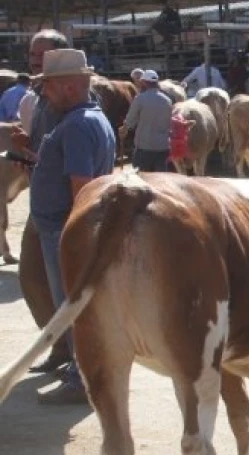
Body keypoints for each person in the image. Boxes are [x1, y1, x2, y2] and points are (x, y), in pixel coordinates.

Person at [28, 48, 116, 404]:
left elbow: (82, 187)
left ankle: (84, 380)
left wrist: (72, 237)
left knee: (74, 306)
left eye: (47, 86)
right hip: (65, 230)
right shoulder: (89, 119)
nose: (43, 93)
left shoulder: (78, 126)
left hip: (63, 232)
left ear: (66, 87)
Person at [12, 28, 73, 375]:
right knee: (33, 277)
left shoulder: (66, 96)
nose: (34, 60)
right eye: (32, 54)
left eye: (42, 54)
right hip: (41, 196)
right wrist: (26, 152)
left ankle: (80, 362)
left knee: (65, 283)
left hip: (62, 202)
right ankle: (59, 346)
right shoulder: (34, 96)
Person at [121, 69, 173, 172]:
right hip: (163, 147)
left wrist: (124, 129)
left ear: (144, 82)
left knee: (142, 178)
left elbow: (130, 120)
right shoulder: (167, 100)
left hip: (144, 147)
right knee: (161, 180)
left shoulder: (140, 99)